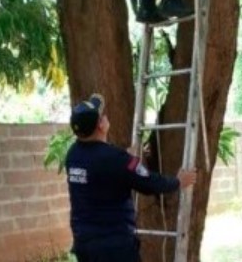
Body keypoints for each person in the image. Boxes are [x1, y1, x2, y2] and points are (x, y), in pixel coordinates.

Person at [66, 93, 197, 262]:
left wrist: (126, 159)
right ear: (100, 125)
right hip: (114, 249)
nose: (105, 116)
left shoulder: (73, 155)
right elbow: (149, 183)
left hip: (85, 244)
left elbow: (99, 169)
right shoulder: (115, 159)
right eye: (102, 115)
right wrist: (178, 181)